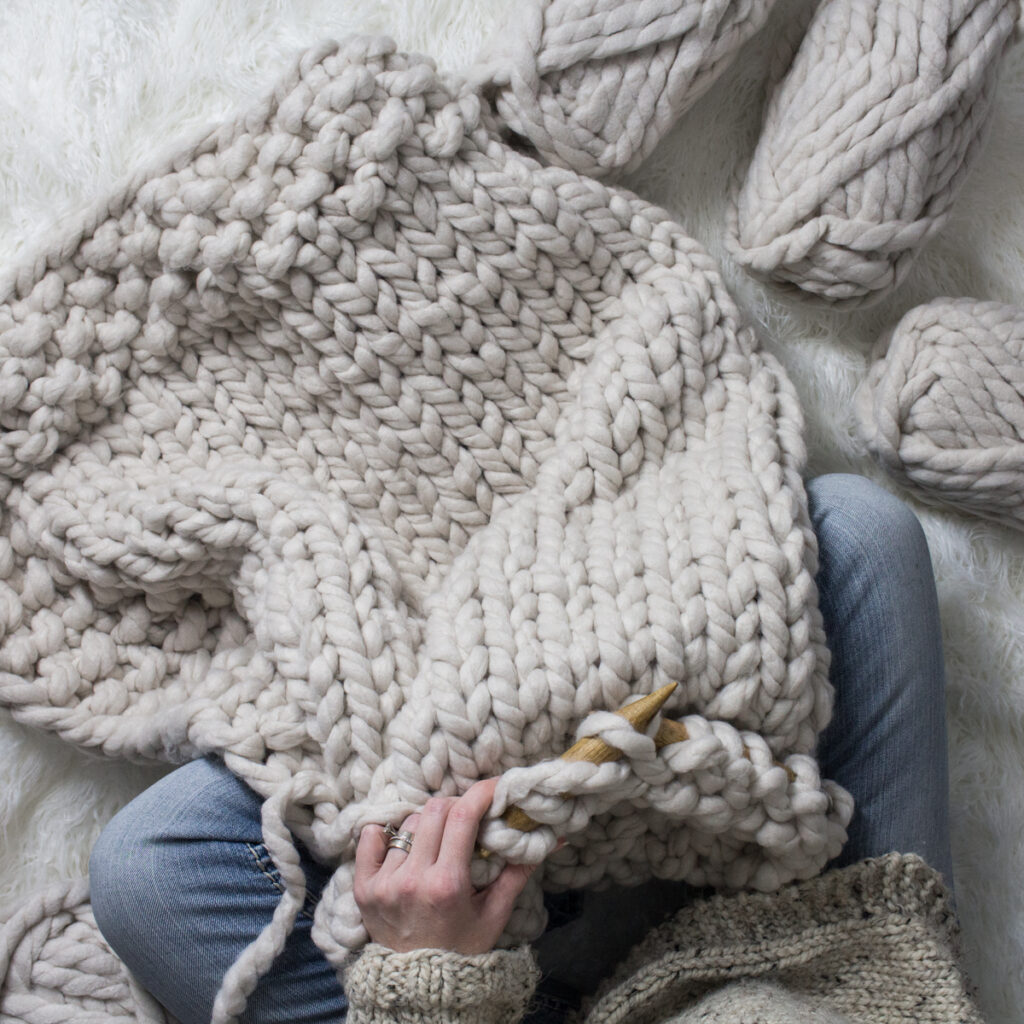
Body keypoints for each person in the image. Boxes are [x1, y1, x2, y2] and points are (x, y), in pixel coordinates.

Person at [88, 474, 965, 1024]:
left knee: (153, 867)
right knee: (851, 534)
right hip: (824, 972)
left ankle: (542, 957)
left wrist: (432, 988)